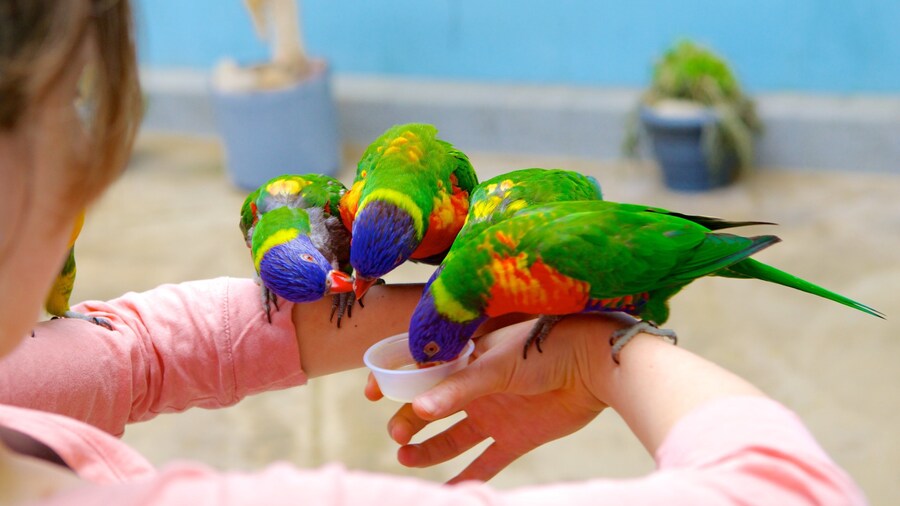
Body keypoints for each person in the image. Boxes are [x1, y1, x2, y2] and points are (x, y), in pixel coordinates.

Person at [0, 1, 865, 504]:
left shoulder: (23, 398)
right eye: (73, 109)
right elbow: (787, 489)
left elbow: (141, 351)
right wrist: (597, 359)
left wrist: (548, 327)